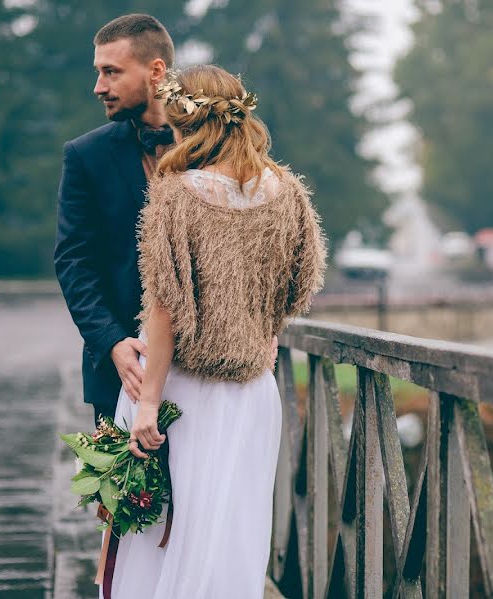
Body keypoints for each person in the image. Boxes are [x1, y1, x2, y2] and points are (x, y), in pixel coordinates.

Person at [106, 64, 326, 598]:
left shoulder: (175, 195)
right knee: (234, 529)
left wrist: (148, 404)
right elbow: (301, 286)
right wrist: (259, 325)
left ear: (186, 125)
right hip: (252, 391)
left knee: (164, 531)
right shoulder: (288, 192)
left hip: (184, 388)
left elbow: (164, 310)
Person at [54, 14, 178, 427]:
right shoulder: (84, 155)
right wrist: (111, 343)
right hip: (125, 373)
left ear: (156, 71)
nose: (98, 87)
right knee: (126, 496)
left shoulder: (214, 147)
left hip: (209, 374)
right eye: (98, 72)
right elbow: (74, 262)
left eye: (111, 72)